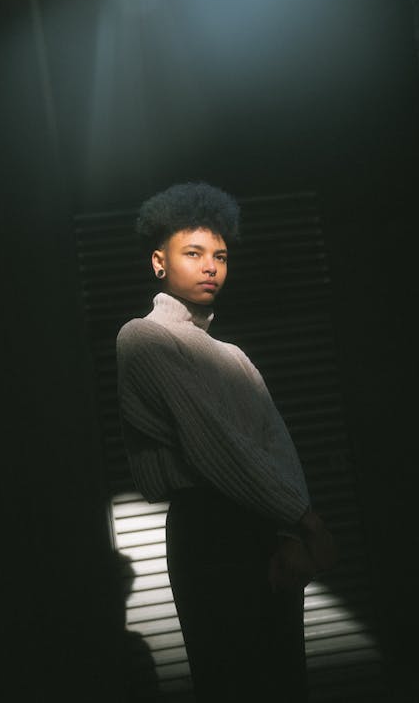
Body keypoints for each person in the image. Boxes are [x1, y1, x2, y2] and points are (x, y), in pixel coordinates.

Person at [116, 182, 336, 701]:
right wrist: (309, 521)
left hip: (266, 527)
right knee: (232, 681)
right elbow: (214, 446)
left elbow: (275, 444)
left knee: (284, 680)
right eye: (193, 253)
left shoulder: (234, 356)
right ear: (158, 262)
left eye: (220, 255)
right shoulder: (143, 337)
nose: (211, 266)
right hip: (208, 529)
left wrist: (290, 531)